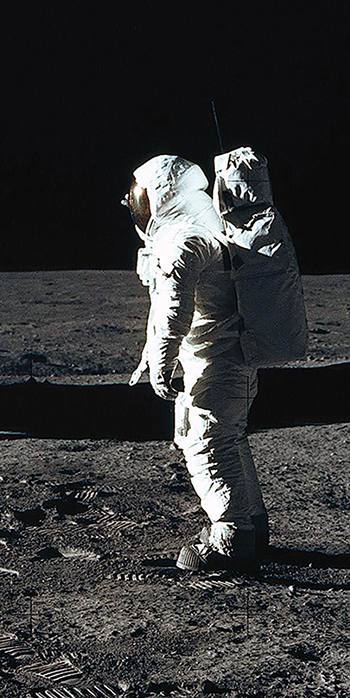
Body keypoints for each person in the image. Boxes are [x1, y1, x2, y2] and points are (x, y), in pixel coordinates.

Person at [125, 154, 268, 572]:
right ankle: (252, 527)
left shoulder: (186, 237)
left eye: (143, 198)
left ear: (162, 196)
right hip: (224, 358)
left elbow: (174, 305)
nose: (138, 208)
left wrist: (160, 361)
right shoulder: (204, 224)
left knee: (207, 444)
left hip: (217, 360)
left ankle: (230, 539)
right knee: (227, 439)